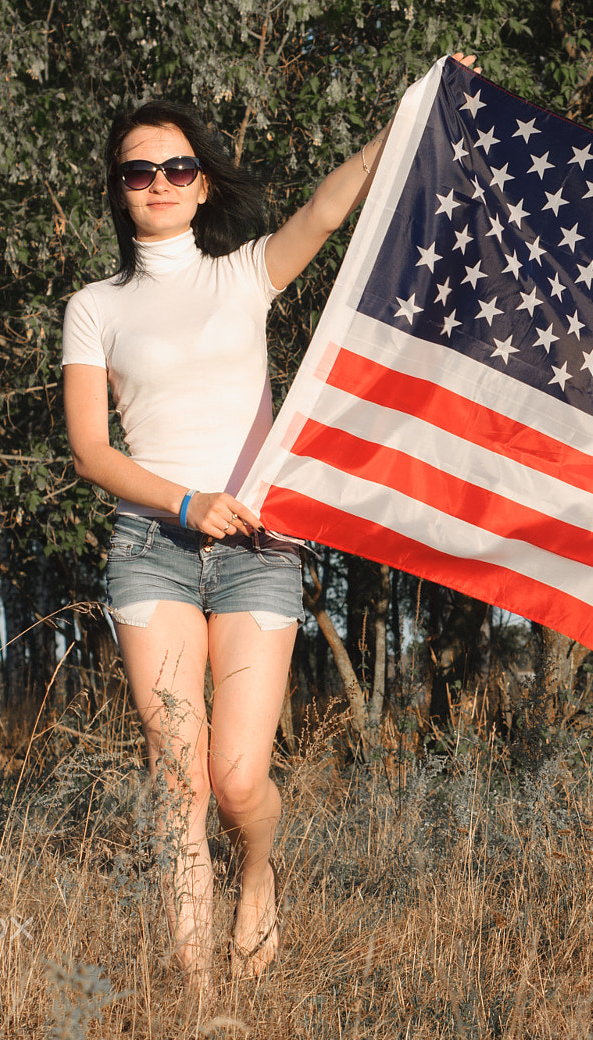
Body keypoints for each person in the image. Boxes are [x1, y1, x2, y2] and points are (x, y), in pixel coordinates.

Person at [61, 54, 477, 991]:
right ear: (120, 192)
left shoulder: (246, 274)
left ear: (202, 183)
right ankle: (201, 1002)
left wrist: (417, 109)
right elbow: (91, 452)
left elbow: (329, 211)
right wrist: (182, 502)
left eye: (175, 168)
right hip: (152, 550)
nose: (158, 184)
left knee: (240, 778)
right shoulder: (95, 309)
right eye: (138, 171)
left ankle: (258, 867)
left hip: (258, 553)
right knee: (179, 779)